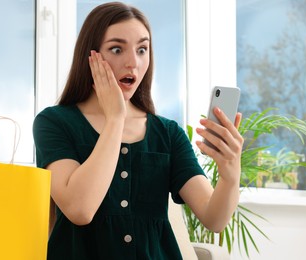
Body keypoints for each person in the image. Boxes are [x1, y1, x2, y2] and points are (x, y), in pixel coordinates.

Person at [33, 2, 244, 259]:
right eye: (117, 49)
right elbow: (80, 209)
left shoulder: (168, 133)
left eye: (142, 49)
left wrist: (230, 175)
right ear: (91, 57)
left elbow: (214, 218)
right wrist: (115, 119)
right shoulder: (54, 122)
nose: (133, 62)